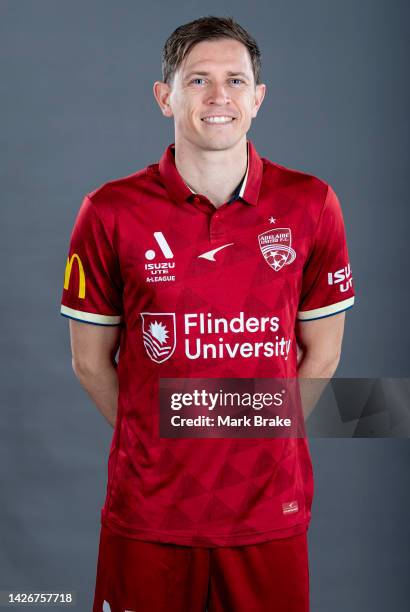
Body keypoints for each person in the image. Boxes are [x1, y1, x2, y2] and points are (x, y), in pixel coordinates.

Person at [60, 15, 355, 612]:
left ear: (258, 98)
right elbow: (91, 364)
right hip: (149, 514)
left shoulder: (310, 203)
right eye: (198, 81)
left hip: (269, 510)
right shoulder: (110, 211)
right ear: (164, 96)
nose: (220, 97)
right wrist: (159, 442)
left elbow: (322, 350)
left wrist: (260, 436)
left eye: (235, 80)